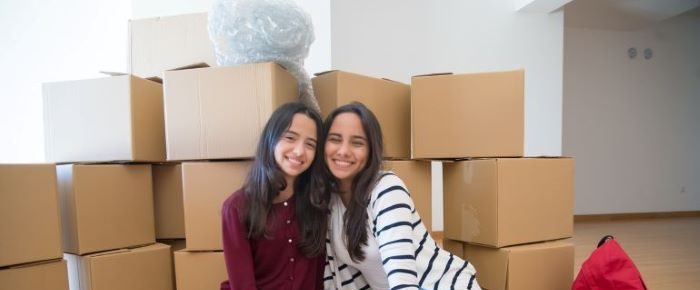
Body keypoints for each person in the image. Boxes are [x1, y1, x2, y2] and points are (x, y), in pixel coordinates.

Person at [320, 102, 481, 290]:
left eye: (357, 142)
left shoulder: (386, 188)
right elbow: (339, 278)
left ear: (372, 151)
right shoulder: (329, 201)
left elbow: (402, 279)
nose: (344, 151)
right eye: (335, 139)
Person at [220, 102, 327, 290]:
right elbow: (243, 285)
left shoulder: (317, 202)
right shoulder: (236, 207)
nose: (299, 151)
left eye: (310, 144)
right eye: (290, 138)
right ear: (271, 139)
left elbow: (318, 275)